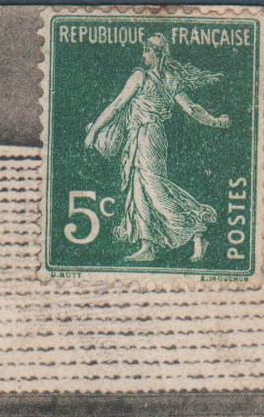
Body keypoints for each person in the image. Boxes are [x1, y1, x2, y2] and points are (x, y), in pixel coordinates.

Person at [85, 33, 231, 263]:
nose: (143, 55)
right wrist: (215, 121)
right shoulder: (170, 78)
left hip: (146, 137)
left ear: (156, 54)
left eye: (146, 51)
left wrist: (94, 131)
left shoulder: (139, 77)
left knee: (154, 189)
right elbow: (192, 109)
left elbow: (115, 106)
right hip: (148, 137)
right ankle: (148, 245)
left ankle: (196, 227)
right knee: (139, 189)